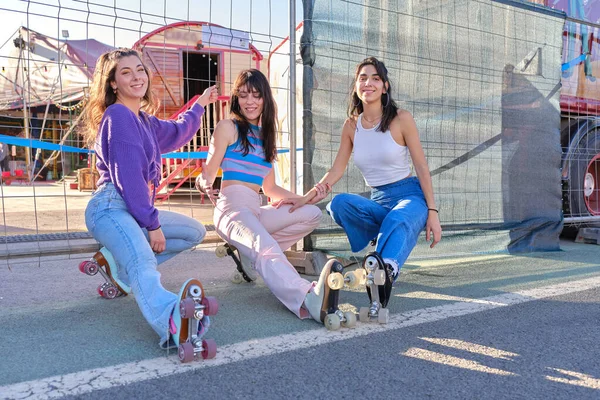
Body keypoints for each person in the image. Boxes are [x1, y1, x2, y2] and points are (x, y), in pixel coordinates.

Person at [82, 48, 219, 348]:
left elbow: (178, 132)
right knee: (144, 260)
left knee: (193, 232)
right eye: (126, 72)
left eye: (140, 70)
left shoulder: (143, 121)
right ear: (113, 83)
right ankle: (172, 319)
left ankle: (118, 269)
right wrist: (151, 223)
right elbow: (129, 179)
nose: (136, 77)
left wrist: (200, 105)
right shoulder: (117, 116)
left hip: (133, 210)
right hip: (110, 207)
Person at [279, 56, 442, 296]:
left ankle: (384, 272)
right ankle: (379, 246)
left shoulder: (402, 118)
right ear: (356, 86)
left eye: (376, 78)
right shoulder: (351, 126)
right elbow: (336, 170)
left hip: (410, 197)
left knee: (399, 218)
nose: (369, 83)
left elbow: (421, 166)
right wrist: (306, 197)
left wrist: (432, 212)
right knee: (338, 204)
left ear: (385, 86)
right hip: (379, 200)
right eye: (363, 78)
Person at [195, 69, 334, 324]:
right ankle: (306, 298)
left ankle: (250, 256)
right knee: (265, 246)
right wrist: (203, 181)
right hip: (231, 209)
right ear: (236, 98)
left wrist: (304, 198)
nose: (250, 101)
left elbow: (270, 190)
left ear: (265, 100)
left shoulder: (267, 137)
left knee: (312, 214)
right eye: (244, 95)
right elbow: (209, 170)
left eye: (256, 95)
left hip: (255, 209)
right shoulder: (228, 127)